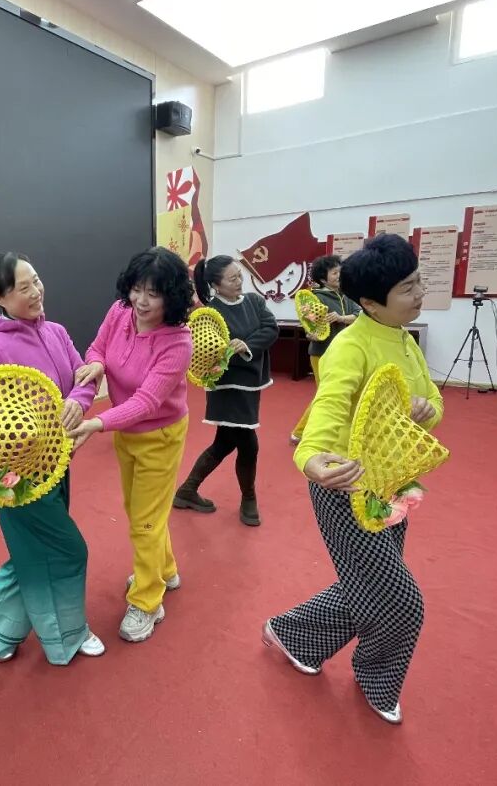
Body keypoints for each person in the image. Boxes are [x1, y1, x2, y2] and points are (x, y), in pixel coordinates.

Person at [262, 234, 442, 725]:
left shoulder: (403, 339)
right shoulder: (351, 346)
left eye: (418, 281)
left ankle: (294, 634)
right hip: (346, 486)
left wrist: (427, 410)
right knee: (400, 600)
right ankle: (376, 675)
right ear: (370, 302)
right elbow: (329, 405)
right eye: (407, 288)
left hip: (392, 482)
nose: (419, 293)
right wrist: (311, 458)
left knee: (369, 583)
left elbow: (433, 398)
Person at [0, 253, 105, 665]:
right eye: (24, 288)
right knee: (68, 550)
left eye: (36, 281)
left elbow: (84, 376)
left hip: (56, 464)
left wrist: (77, 402)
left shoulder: (56, 332)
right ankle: (67, 637)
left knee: (33, 554)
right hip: (17, 476)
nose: (36, 292)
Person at [68, 247, 194, 643]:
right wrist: (97, 364)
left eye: (153, 294)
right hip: (126, 431)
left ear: (171, 297)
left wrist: (97, 423)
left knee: (144, 521)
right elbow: (97, 348)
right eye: (137, 289)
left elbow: (146, 403)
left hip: (160, 435)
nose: (141, 301)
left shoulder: (178, 342)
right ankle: (165, 569)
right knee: (142, 512)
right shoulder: (120, 311)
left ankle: (147, 600)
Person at [173, 255, 279, 526]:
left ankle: (187, 490)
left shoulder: (254, 301)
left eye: (239, 275)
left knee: (224, 443)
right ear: (216, 285)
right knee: (248, 444)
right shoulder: (210, 314)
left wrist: (246, 345)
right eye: (232, 279)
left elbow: (270, 328)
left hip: (250, 383)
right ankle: (249, 499)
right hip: (227, 386)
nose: (239, 281)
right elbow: (208, 352)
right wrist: (229, 351)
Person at [290, 254, 362, 443]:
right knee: (326, 394)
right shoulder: (314, 298)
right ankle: (299, 432)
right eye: (334, 273)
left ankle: (337, 432)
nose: (339, 276)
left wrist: (340, 318)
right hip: (322, 354)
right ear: (323, 278)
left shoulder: (346, 295)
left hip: (344, 353)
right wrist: (311, 334)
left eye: (340, 272)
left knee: (339, 393)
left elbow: (359, 315)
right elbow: (310, 327)